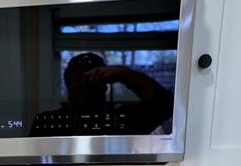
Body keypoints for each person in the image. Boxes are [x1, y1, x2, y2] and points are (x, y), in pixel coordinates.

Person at [30, 52, 174, 137]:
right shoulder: (48, 121)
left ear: (105, 86)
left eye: (94, 80)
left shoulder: (120, 119)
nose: (87, 86)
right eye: (81, 80)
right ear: (68, 84)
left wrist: (123, 74)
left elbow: (166, 106)